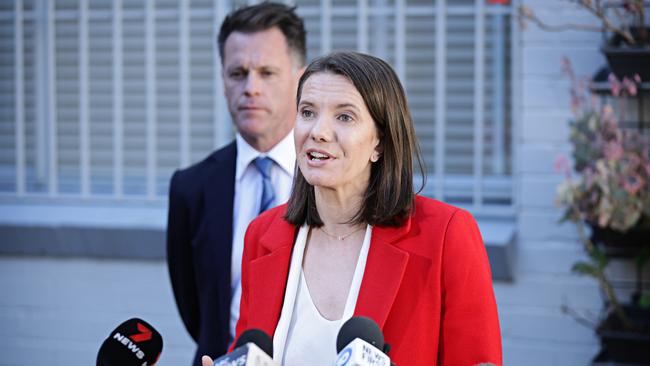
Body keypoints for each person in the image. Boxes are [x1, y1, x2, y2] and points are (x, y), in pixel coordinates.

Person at [203, 51, 502, 366]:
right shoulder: (263, 234)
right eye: (307, 112)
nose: (318, 131)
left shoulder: (445, 233)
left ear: (380, 143)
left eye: (344, 116)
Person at [166, 3, 306, 365]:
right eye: (238, 73)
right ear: (223, 80)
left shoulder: (333, 177)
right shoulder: (191, 187)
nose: (250, 88)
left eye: (267, 72)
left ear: (300, 78)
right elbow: (196, 310)